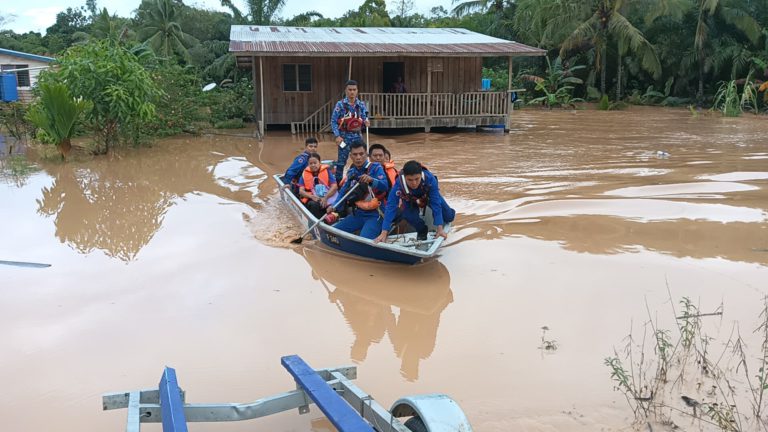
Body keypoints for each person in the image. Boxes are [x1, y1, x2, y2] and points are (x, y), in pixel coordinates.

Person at [374, 160, 455, 243]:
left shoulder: (430, 179)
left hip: (429, 196)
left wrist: (440, 229)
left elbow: (436, 204)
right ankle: (422, 230)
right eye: (410, 180)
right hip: (410, 199)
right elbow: (390, 207)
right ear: (405, 177)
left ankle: (449, 213)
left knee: (449, 217)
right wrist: (384, 232)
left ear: (421, 174)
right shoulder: (398, 185)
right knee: (408, 215)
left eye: (417, 179)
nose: (414, 183)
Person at [328, 141, 388, 239]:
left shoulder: (376, 168)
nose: (358, 157)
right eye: (355, 154)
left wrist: (371, 180)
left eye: (361, 154)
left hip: (375, 214)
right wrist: (334, 206)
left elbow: (385, 186)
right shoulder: (351, 172)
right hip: (358, 213)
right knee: (333, 232)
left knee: (364, 240)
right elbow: (343, 191)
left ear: (366, 155)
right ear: (350, 156)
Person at [330, 80, 370, 184]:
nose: (352, 92)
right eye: (350, 90)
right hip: (343, 138)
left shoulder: (361, 105)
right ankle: (338, 184)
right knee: (341, 162)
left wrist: (366, 121)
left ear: (357, 91)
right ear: (346, 91)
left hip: (357, 137)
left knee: (361, 159)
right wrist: (337, 136)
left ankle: (361, 181)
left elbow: (365, 118)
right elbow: (334, 121)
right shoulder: (340, 104)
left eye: (354, 90)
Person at [297, 152, 338, 219]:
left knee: (339, 202)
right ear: (308, 164)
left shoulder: (327, 171)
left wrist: (326, 197)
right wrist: (312, 197)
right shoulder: (304, 174)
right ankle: (320, 220)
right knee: (313, 205)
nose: (313, 165)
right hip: (313, 198)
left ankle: (333, 217)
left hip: (326, 196)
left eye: (315, 163)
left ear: (319, 163)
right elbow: (301, 191)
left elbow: (334, 186)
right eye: (311, 163)